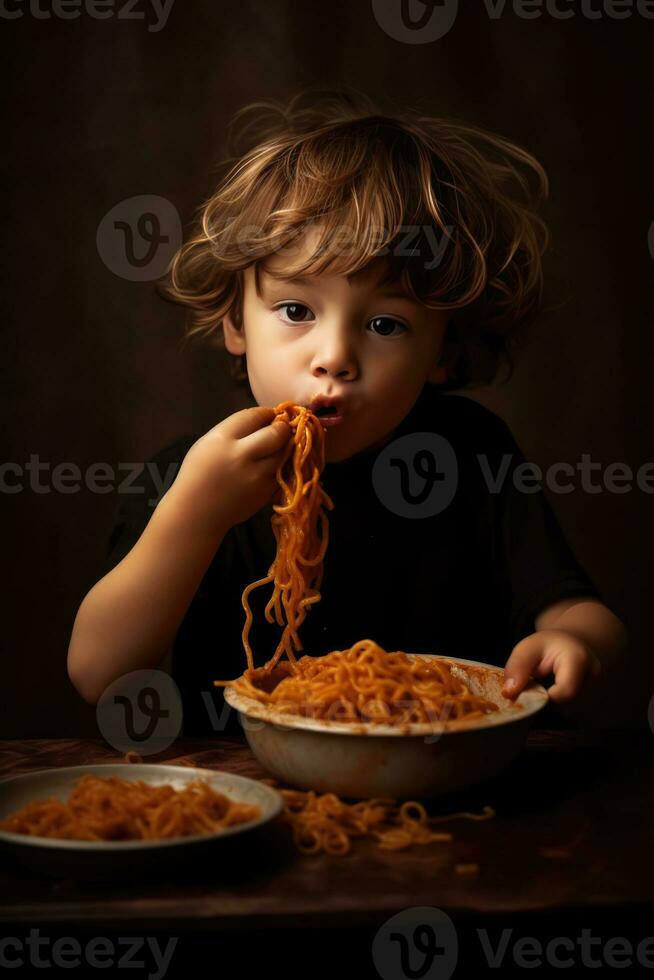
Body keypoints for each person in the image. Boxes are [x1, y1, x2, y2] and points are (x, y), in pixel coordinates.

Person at [67, 89, 628, 736]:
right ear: (233, 320)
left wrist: (577, 645)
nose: (334, 356)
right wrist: (197, 512)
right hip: (251, 796)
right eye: (297, 311)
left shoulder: (473, 455)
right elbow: (96, 671)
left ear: (443, 351)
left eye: (386, 324)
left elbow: (581, 616)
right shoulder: (189, 477)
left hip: (449, 796)